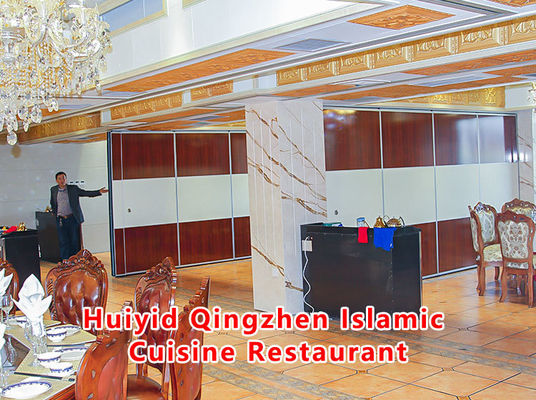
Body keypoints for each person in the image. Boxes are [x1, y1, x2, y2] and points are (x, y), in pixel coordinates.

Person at [50, 171, 108, 260]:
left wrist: (98, 191)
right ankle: (65, 262)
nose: (62, 180)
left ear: (66, 179)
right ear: (56, 180)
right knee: (63, 241)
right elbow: (53, 202)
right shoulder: (53, 190)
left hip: (72, 219)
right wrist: (55, 213)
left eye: (64, 178)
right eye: (60, 179)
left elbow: (85, 193)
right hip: (61, 220)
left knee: (75, 241)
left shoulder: (73, 189)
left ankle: (76, 261)